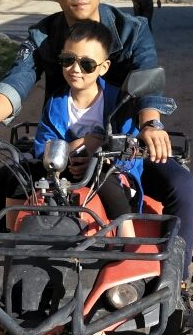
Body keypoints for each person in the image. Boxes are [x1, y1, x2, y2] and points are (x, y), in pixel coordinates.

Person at [0, 0, 193, 272]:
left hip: (120, 149)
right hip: (59, 147)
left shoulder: (132, 29)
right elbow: (17, 80)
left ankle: (173, 280)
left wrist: (150, 125)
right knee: (3, 179)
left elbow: (146, 80)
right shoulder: (43, 36)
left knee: (182, 186)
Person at [29, 20, 141, 238]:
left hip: (111, 173)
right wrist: (80, 144)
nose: (75, 69)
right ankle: (1, 235)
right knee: (11, 176)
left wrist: (98, 152)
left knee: (103, 177)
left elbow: (131, 149)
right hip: (63, 171)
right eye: (67, 60)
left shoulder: (119, 102)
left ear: (104, 67)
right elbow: (43, 147)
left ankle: (127, 235)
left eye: (87, 64)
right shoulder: (56, 104)